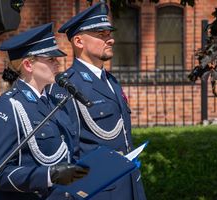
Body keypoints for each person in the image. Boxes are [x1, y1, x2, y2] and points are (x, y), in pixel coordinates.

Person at [49, 2, 146, 200]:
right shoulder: (68, 86)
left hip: (129, 185)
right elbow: (67, 151)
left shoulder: (111, 81)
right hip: (99, 191)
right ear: (79, 41)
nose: (110, 40)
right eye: (101, 35)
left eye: (109, 34)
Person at [0, 23, 88, 200]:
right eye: (51, 59)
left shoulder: (56, 102)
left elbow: (70, 154)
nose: (58, 63)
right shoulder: (8, 106)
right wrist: (48, 175)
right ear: (28, 65)